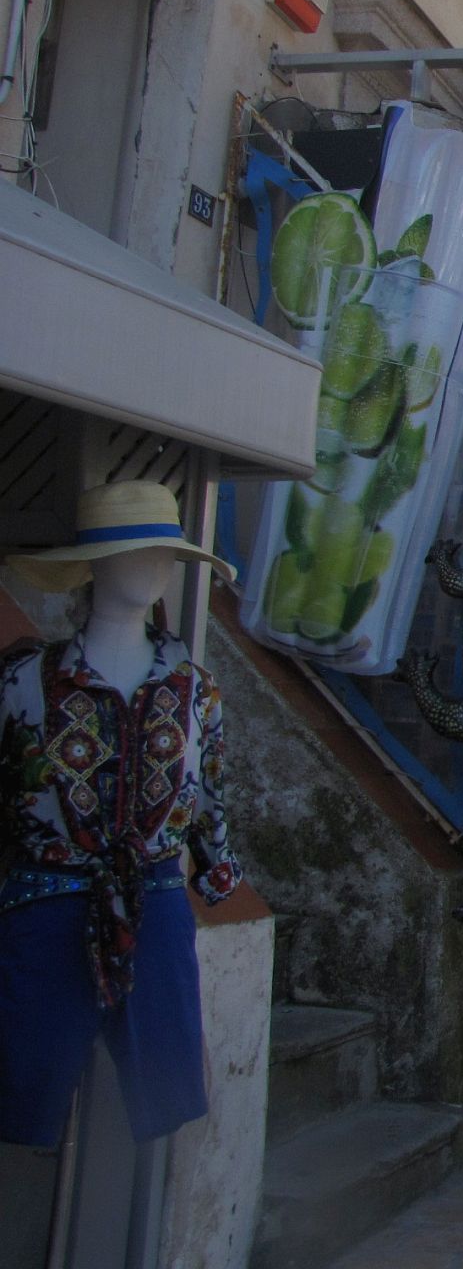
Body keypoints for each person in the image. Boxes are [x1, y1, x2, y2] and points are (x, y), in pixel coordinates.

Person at [1, 480, 243, 1147]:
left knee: (162, 1099)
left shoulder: (195, 689)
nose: (154, 567)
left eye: (164, 553)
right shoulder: (21, 682)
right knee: (23, 1095)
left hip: (156, 903)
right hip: (45, 904)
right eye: (137, 551)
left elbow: (210, 793)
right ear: (96, 565)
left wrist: (216, 866)